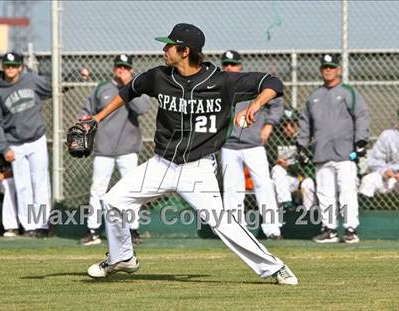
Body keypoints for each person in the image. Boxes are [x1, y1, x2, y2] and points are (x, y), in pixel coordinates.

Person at [85, 23, 298, 285]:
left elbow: (272, 83)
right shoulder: (159, 77)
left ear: (185, 51)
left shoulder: (222, 81)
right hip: (161, 164)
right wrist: (96, 119)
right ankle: (122, 257)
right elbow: (129, 92)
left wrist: (254, 104)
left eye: (169, 45)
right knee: (113, 201)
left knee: (222, 223)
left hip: (197, 170)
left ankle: (275, 268)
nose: (164, 49)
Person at [0, 52, 88, 238]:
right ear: (3, 67)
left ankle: (41, 224)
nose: (11, 69)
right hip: (14, 144)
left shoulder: (30, 80)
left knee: (40, 182)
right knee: (23, 186)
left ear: (21, 67)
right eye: (8, 66)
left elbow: (54, 86)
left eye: (14, 65)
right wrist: (4, 147)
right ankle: (29, 225)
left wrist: (75, 75)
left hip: (36, 139)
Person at [78, 54, 151, 246]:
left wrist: (129, 86)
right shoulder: (103, 88)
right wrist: (83, 122)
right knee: (97, 190)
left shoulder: (136, 87)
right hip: (103, 148)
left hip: (128, 149)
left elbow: (143, 108)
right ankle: (93, 230)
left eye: (126, 68)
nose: (122, 70)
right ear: (114, 69)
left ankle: (133, 230)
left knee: (133, 190)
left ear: (131, 70)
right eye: (119, 67)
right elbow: (87, 110)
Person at [297, 54, 370, 244]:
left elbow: (361, 116)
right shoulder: (314, 97)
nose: (328, 70)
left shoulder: (349, 92)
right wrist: (302, 145)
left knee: (347, 191)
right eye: (325, 67)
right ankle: (329, 229)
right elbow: (305, 124)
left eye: (331, 67)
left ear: (339, 69)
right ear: (321, 70)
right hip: (321, 152)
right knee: (325, 193)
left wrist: (361, 141)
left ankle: (350, 228)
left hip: (345, 152)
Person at [219, 50, 284, 239]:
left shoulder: (250, 82)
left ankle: (272, 229)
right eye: (226, 64)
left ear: (240, 66)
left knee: (263, 184)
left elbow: (276, 102)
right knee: (232, 188)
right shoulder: (219, 86)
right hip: (228, 145)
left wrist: (269, 125)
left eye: (233, 64)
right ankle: (235, 229)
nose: (229, 67)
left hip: (254, 143)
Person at [268, 107, 316, 212]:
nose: (288, 128)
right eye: (285, 125)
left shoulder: (304, 141)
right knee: (276, 171)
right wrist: (275, 162)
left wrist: (290, 165)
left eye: (292, 124)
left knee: (308, 184)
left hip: (299, 179)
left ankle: (308, 214)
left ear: (297, 125)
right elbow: (267, 166)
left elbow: (310, 165)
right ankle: (285, 205)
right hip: (283, 181)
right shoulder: (273, 141)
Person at [359, 106, 399, 197]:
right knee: (368, 181)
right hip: (391, 177)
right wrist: (384, 171)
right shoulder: (388, 135)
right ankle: (365, 209)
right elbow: (374, 160)